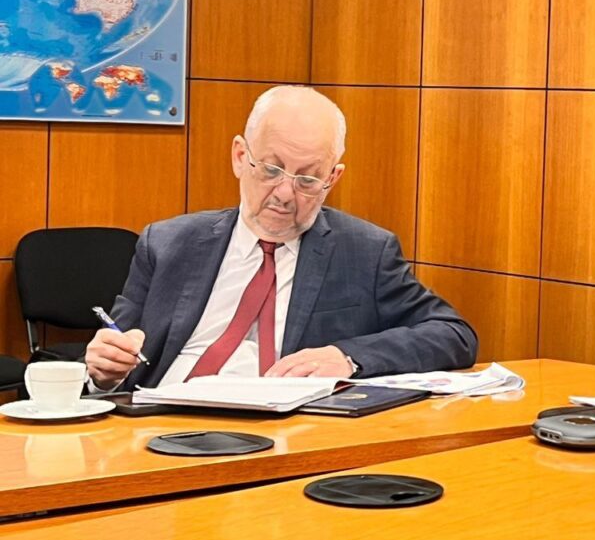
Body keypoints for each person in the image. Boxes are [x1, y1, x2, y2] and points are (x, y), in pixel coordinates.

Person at [86, 85, 478, 390]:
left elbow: (453, 335)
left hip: (287, 440)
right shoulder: (169, 243)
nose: (285, 193)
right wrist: (106, 371)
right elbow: (116, 358)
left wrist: (348, 356)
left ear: (332, 178)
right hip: (162, 428)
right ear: (241, 156)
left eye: (307, 179)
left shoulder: (365, 251)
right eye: (271, 170)